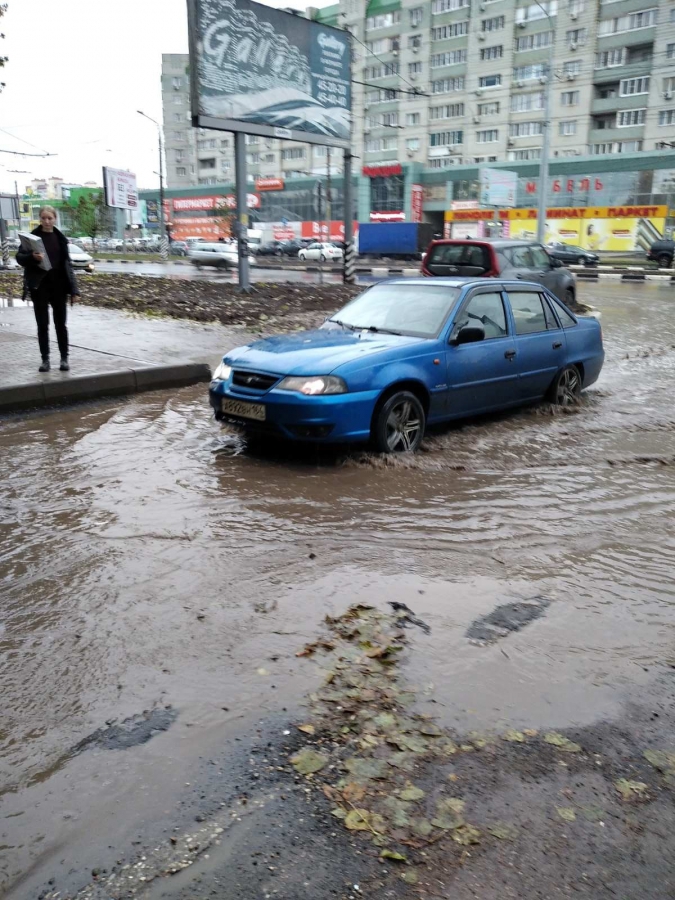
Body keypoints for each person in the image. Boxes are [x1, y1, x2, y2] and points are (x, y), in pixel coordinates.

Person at [16, 206, 80, 372]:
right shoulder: (32, 238)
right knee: (42, 325)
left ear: (55, 219)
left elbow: (68, 265)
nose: (46, 221)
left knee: (61, 324)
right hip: (40, 287)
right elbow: (20, 258)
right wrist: (32, 257)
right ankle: (45, 360)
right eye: (43, 218)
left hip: (59, 286)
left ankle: (64, 358)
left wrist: (74, 290)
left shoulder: (60, 239)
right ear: (40, 219)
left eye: (49, 218)